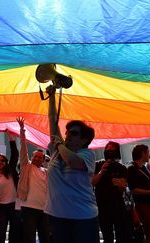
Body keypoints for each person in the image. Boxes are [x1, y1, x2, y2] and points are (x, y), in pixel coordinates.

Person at [44, 85, 99, 243]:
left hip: (83, 219)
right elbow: (53, 121)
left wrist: (59, 144)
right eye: (67, 132)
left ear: (84, 140)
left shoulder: (87, 154)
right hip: (57, 217)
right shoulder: (58, 150)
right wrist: (52, 96)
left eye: (73, 133)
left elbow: (72, 161)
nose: (67, 135)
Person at [17, 117, 50, 243]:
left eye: (39, 158)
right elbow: (23, 148)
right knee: (29, 238)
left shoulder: (46, 172)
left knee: (45, 237)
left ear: (43, 160)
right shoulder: (26, 166)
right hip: (28, 208)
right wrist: (22, 130)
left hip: (44, 209)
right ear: (32, 157)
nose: (37, 159)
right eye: (35, 157)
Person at [91, 141, 132, 243]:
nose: (109, 153)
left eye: (112, 150)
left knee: (121, 234)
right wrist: (102, 171)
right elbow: (92, 183)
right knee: (107, 235)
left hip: (117, 204)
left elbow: (123, 188)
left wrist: (120, 184)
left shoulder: (121, 167)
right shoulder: (97, 165)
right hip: (102, 204)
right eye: (107, 150)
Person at [0, 130, 19, 243]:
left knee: (14, 233)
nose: (0, 162)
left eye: (2, 160)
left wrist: (10, 136)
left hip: (14, 206)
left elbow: (15, 154)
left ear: (6, 162)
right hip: (0, 207)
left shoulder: (11, 171)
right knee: (0, 233)